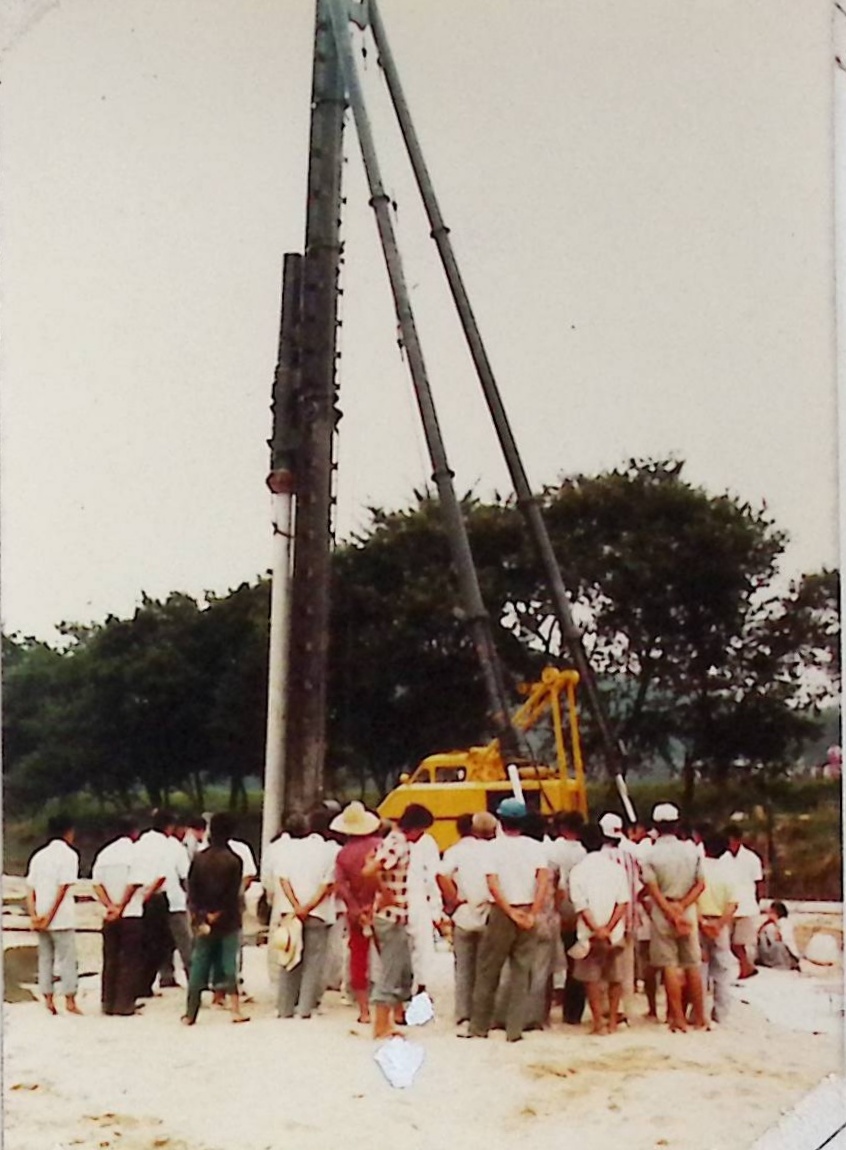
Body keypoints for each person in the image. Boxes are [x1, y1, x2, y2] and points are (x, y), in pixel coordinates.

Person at [461, 797, 550, 1043]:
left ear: (500, 820)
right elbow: (543, 881)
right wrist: (533, 912)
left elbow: (493, 883)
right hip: (528, 907)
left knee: (489, 970)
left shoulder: (492, 848)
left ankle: (479, 1026)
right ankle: (515, 1029)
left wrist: (510, 912)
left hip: (502, 911)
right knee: (522, 972)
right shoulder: (536, 848)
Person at [362, 803, 434, 1039]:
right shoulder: (399, 844)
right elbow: (370, 870)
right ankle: (381, 1025)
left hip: (393, 913)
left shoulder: (393, 840)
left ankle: (387, 1021)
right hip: (391, 914)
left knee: (399, 969)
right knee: (391, 971)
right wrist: (385, 893)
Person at [640, 802, 707, 1032]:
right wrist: (682, 907)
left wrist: (670, 911)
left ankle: (677, 1018)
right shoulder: (692, 850)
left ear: (656, 827)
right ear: (677, 825)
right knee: (692, 964)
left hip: (663, 910)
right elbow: (701, 884)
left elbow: (652, 889)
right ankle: (700, 1017)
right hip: (687, 908)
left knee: (669, 965)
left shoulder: (650, 854)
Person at [270, 811, 338, 1019]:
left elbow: (283, 880)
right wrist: (308, 907)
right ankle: (306, 1008)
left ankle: (285, 1008)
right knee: (313, 961)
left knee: (288, 957)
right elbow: (327, 885)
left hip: (289, 912)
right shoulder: (328, 851)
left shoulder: (285, 849)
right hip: (318, 912)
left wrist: (296, 906)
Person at [182, 812, 247, 1024]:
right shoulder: (234, 860)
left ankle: (191, 1012)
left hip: (202, 918)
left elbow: (192, 890)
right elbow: (232, 894)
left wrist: (201, 914)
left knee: (199, 963)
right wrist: (217, 913)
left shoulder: (199, 859)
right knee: (229, 963)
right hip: (228, 919)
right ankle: (235, 1010)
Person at [568, 823, 630, 1036]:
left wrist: (596, 928)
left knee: (591, 978)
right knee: (615, 977)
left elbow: (581, 905)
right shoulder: (616, 869)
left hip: (588, 933)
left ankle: (598, 1023)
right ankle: (612, 1020)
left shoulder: (578, 871)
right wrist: (609, 928)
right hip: (615, 932)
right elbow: (623, 902)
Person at [437, 812, 496, 1027]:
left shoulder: (456, 852)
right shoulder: (494, 850)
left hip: (463, 912)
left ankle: (463, 1013)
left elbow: (441, 874)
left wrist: (453, 899)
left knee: (463, 968)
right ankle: (483, 1014)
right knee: (486, 968)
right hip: (489, 911)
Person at [25, 814, 82, 1016]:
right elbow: (63, 888)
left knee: (45, 958)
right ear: (68, 832)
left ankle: (48, 998)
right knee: (67, 958)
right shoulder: (69, 855)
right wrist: (51, 915)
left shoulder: (38, 856)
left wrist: (34, 915)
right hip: (61, 917)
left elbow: (30, 889)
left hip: (40, 914)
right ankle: (70, 999)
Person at [332, 801, 382, 1024]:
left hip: (355, 911)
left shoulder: (343, 855)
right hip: (381, 908)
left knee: (358, 959)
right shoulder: (380, 846)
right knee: (389, 957)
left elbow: (341, 886)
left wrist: (355, 908)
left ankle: (363, 1011)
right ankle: (393, 1009)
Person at [91, 815, 146, 1016]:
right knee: (130, 960)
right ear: (134, 832)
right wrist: (121, 906)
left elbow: (96, 884)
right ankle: (124, 1004)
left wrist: (110, 905)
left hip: (109, 914)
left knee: (111, 958)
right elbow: (135, 882)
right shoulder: (136, 853)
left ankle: (107, 1002)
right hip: (131, 913)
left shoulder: (104, 854)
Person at [597, 811, 641, 1025]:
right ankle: (625, 1010)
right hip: (629, 919)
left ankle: (606, 1009)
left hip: (604, 921)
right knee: (625, 969)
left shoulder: (598, 858)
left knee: (602, 968)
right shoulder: (631, 857)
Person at [549, 810, 587, 1025]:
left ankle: (551, 1004)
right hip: (582, 909)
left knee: (554, 960)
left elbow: (552, 881)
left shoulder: (553, 850)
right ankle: (574, 1012)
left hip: (561, 908)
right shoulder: (584, 851)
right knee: (577, 960)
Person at [696, 832, 739, 1024]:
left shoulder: (698, 868)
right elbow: (733, 904)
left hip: (699, 922)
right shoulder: (729, 871)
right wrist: (719, 925)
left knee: (700, 968)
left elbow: (692, 899)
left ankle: (700, 1013)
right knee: (722, 970)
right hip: (721, 923)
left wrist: (704, 923)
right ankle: (721, 1013)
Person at [133, 811, 177, 997]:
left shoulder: (142, 841)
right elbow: (162, 875)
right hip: (156, 896)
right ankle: (146, 984)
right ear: (169, 827)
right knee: (160, 943)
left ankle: (142, 983)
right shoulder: (166, 844)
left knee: (144, 941)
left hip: (138, 894)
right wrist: (149, 894)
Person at [722, 827, 764, 979]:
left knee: (738, 943)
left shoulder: (752, 859)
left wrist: (757, 902)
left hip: (746, 906)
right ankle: (747, 967)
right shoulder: (723, 858)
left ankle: (746, 967)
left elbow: (759, 883)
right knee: (729, 944)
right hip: (729, 906)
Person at [757, 901, 801, 970]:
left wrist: (776, 924)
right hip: (772, 953)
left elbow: (780, 938)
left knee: (777, 945)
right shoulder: (768, 924)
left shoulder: (784, 922)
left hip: (787, 954)